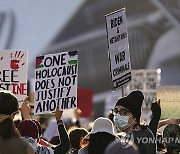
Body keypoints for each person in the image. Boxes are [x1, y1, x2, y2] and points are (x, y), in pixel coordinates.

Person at [113, 90, 160, 154]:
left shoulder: (132, 140)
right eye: (116, 111)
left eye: (123, 112)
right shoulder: (146, 132)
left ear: (134, 115)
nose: (118, 115)